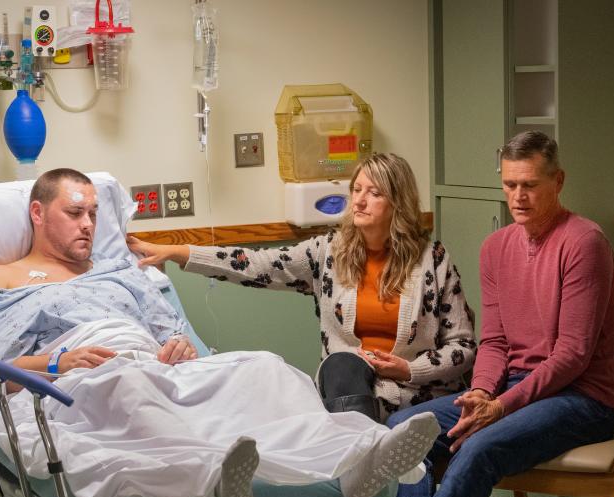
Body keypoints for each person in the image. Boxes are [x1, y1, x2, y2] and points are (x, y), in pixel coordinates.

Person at [0, 168, 442, 497]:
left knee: (263, 369)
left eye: (93, 215)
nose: (87, 225)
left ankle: (355, 464)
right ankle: (215, 481)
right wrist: (58, 361)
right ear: (38, 213)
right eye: (74, 213)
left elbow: (175, 332)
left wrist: (178, 346)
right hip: (77, 374)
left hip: (153, 364)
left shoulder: (121, 273)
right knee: (131, 388)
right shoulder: (0, 279)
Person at [332, 131, 614, 497]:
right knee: (408, 427)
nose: (518, 198)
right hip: (511, 390)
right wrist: (482, 392)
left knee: (479, 447)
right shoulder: (496, 247)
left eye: (530, 185)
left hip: (581, 399)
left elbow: (572, 356)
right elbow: (496, 343)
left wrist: (500, 408)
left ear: (558, 181)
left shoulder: (584, 244)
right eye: (510, 185)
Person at [129, 152, 477, 422]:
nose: (358, 201)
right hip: (352, 390)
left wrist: (408, 369)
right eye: (356, 190)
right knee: (342, 364)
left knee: (390, 435)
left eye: (374, 193)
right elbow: (254, 264)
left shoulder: (432, 261)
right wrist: (179, 252)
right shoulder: (329, 253)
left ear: (397, 203)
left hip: (419, 393)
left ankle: (368, 465)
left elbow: (463, 345)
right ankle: (367, 454)